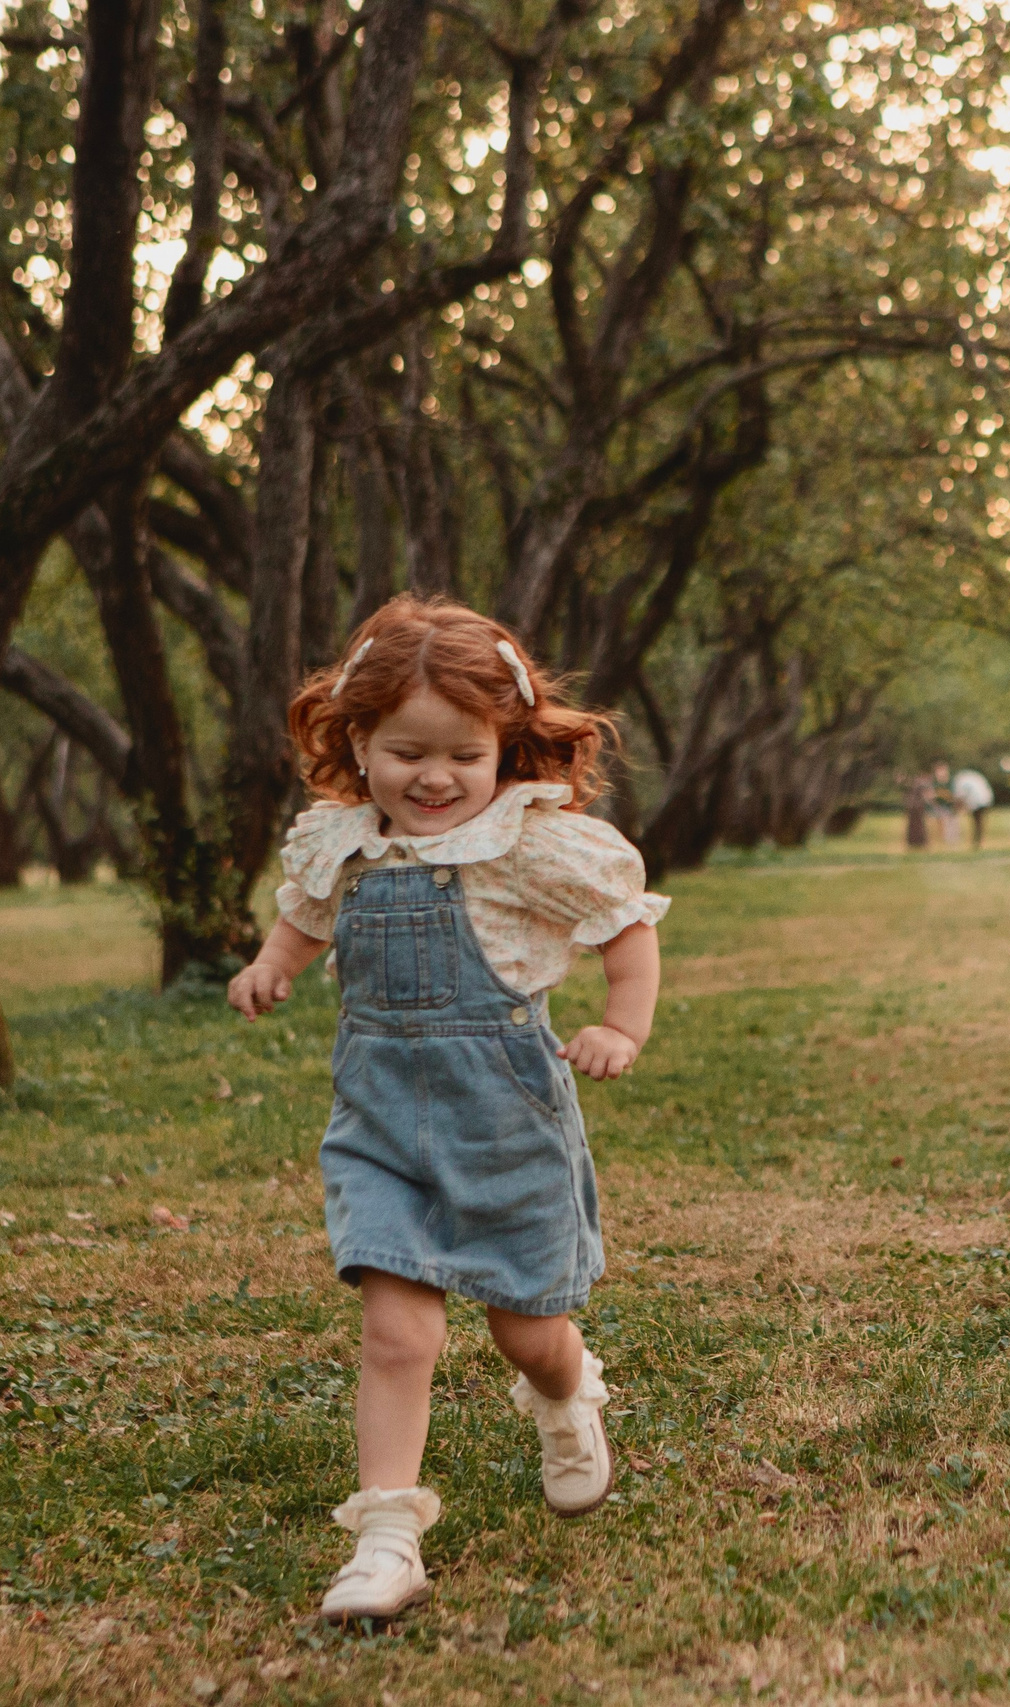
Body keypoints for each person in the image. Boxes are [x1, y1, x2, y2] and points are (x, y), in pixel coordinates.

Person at [225, 597, 668, 1621]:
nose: (435, 778)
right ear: (358, 742)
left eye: (464, 755)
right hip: (378, 1126)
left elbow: (625, 934)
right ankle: (386, 1537)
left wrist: (620, 1027)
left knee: (529, 1331)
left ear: (504, 747)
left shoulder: (530, 846)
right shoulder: (342, 844)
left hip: (504, 1124)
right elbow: (303, 920)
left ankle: (567, 1399)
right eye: (405, 752)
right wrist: (270, 967)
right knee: (396, 1333)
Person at [949, 763, 995, 849]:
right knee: (979, 821)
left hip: (977, 801)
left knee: (977, 821)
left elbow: (959, 797)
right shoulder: (973, 776)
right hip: (986, 799)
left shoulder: (960, 779)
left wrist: (956, 808)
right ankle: (978, 840)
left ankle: (977, 841)